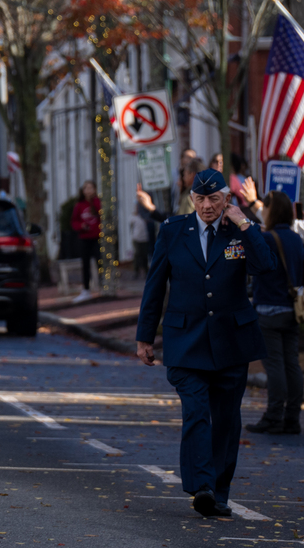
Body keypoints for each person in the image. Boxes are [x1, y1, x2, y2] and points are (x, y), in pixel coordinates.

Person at [136, 169, 275, 516]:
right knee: (196, 411)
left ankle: (220, 490)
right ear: (192, 199)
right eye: (201, 199)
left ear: (226, 199)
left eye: (215, 199)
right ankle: (202, 486)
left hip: (232, 340)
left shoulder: (238, 231)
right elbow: (155, 287)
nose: (207, 205)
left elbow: (265, 265)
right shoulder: (172, 231)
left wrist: (244, 221)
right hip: (186, 341)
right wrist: (144, 336)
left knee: (227, 420)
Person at [248, 190, 304, 435]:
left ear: (271, 211)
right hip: (292, 309)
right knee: (292, 363)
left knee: (275, 366)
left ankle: (273, 415)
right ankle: (292, 417)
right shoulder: (296, 239)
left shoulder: (268, 239)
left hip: (269, 309)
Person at [71, 180, 101, 302]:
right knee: (85, 264)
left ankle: (103, 285)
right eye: (86, 188)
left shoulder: (98, 202)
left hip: (97, 237)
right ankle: (86, 289)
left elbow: (103, 216)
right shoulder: (79, 205)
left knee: (101, 261)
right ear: (83, 191)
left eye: (90, 188)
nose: (88, 190)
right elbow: (74, 221)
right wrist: (81, 226)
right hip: (84, 238)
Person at [129, 195, 152, 277]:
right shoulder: (133, 217)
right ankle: (136, 271)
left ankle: (146, 271)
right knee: (137, 254)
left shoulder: (145, 216)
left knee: (145, 255)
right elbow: (130, 227)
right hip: (136, 238)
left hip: (144, 238)